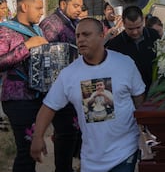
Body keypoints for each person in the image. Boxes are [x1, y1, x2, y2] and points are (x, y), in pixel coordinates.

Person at [30, 18, 146, 172]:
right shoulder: (69, 75)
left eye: (86, 34)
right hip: (92, 158)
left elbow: (139, 98)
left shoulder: (124, 64)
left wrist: (144, 130)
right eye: (78, 36)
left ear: (101, 36)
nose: (81, 40)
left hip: (124, 150)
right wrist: (38, 137)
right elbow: (49, 106)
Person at [0, 0, 48, 172]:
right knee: (26, 152)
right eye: (38, 8)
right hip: (17, 100)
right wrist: (26, 46)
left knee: (32, 152)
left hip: (38, 97)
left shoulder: (37, 30)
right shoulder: (5, 30)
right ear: (24, 7)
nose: (41, 12)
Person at [39, 0, 83, 172]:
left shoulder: (75, 23)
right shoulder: (51, 24)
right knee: (65, 133)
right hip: (59, 86)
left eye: (81, 6)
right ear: (62, 4)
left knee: (73, 132)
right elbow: (50, 57)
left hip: (75, 84)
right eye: (75, 5)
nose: (79, 9)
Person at [106, 6, 160, 94]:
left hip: (154, 89)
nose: (135, 32)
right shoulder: (115, 45)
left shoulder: (153, 35)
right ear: (123, 23)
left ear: (143, 21)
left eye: (138, 27)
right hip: (130, 93)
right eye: (130, 29)